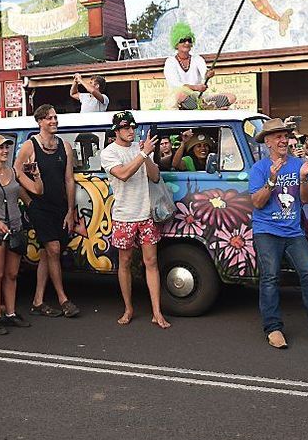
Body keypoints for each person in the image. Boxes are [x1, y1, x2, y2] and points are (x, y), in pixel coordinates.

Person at [249, 117, 308, 349]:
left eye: (285, 135)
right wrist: (272, 181)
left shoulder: (298, 165)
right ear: (268, 143)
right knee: (270, 278)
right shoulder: (260, 168)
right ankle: (273, 328)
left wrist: (304, 178)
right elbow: (257, 202)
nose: (283, 139)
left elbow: (305, 199)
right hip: (266, 231)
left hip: (293, 231)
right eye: (278, 136)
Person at [101, 111, 171, 329]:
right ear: (116, 131)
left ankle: (157, 312)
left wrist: (146, 154)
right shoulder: (109, 153)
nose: (131, 131)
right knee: (125, 262)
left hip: (146, 213)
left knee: (151, 262)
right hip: (124, 215)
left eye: (132, 127)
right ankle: (128, 308)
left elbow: (155, 176)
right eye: (125, 128)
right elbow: (123, 174)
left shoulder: (139, 148)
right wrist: (142, 154)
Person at [15, 104, 81, 318]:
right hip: (39, 207)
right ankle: (63, 299)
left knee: (47, 253)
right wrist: (30, 197)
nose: (54, 121)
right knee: (53, 249)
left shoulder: (65, 146)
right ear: (40, 122)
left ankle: (38, 300)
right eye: (49, 118)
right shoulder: (29, 145)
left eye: (55, 117)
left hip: (59, 205)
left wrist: (70, 209)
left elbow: (69, 179)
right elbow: (17, 171)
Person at [0, 134, 44, 334]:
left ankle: (11, 313)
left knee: (12, 274)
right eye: (0, 148)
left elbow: (36, 191)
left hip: (15, 228)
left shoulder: (14, 172)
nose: (4, 151)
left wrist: (36, 174)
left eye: (6, 147)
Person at [164, 22, 235, 110]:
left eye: (189, 40)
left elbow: (204, 73)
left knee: (231, 97)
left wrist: (208, 74)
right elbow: (176, 85)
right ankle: (204, 107)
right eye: (183, 40)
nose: (186, 43)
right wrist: (195, 87)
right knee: (180, 94)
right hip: (180, 99)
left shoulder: (197, 59)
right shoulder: (170, 62)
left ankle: (202, 106)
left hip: (199, 97)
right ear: (176, 44)